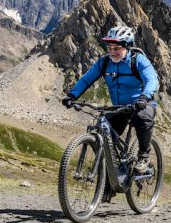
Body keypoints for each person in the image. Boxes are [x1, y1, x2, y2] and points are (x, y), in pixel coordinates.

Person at [61, 25, 159, 199]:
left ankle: (143, 155)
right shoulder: (104, 62)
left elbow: (152, 80)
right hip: (119, 107)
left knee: (142, 118)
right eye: (110, 47)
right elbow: (87, 79)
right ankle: (109, 182)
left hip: (142, 103)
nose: (112, 52)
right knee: (105, 134)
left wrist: (144, 98)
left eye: (117, 48)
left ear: (127, 46)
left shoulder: (138, 61)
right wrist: (72, 95)